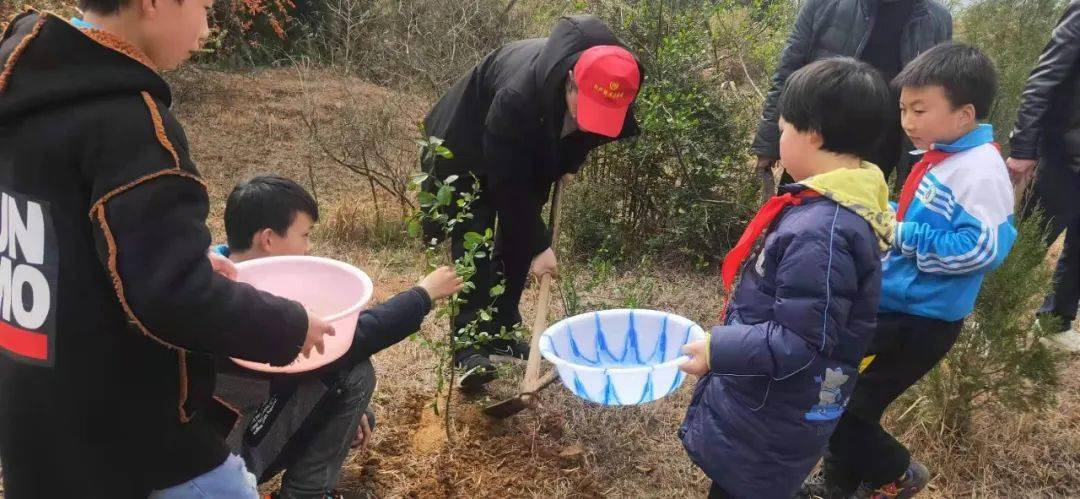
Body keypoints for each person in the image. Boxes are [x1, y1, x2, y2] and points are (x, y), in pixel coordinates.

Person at [0, 4, 335, 498]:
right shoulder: (131, 124)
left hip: (35, 422)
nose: (207, 26)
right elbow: (172, 297)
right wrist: (289, 324)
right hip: (127, 441)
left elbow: (67, 244)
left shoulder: (24, 89)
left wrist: (183, 258)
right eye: (203, 6)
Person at [679, 57, 895, 499]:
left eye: (783, 129)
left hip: (772, 412)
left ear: (812, 132)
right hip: (770, 402)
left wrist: (717, 349)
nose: (779, 140)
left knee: (742, 488)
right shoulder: (829, 208)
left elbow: (800, 342)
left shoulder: (824, 231)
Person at [815, 43, 1016, 499]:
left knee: (839, 405)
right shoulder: (943, 157)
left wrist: (898, 232)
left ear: (965, 114)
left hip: (922, 321)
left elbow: (983, 248)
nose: (906, 121)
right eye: (903, 108)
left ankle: (898, 473)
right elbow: (919, 221)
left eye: (919, 109)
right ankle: (837, 486)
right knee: (839, 395)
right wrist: (877, 208)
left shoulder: (979, 171)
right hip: (897, 304)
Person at [421, 15, 643, 390]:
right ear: (570, 80)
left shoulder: (615, 80)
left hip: (528, 145)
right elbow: (507, 184)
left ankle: (502, 332)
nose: (591, 124)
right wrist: (541, 245)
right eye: (584, 109)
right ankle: (469, 348)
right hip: (466, 145)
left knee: (520, 239)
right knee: (474, 237)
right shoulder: (518, 95)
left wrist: (569, 161)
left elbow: (594, 133)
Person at [212, 176, 463, 499]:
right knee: (352, 374)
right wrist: (423, 295)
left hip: (232, 435)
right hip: (219, 463)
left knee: (346, 398)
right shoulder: (238, 307)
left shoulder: (212, 282)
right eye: (304, 235)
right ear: (269, 240)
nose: (309, 247)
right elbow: (346, 341)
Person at [753, 0, 952, 187]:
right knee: (796, 208)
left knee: (855, 213)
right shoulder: (827, 4)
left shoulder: (936, 19)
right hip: (815, 136)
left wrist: (921, 161)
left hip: (881, 146)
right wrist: (768, 142)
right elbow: (788, 72)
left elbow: (936, 95)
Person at [1006, 1, 1080, 352]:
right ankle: (984, 323)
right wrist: (1023, 147)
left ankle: (1054, 322)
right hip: (1064, 155)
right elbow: (1043, 80)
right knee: (1026, 242)